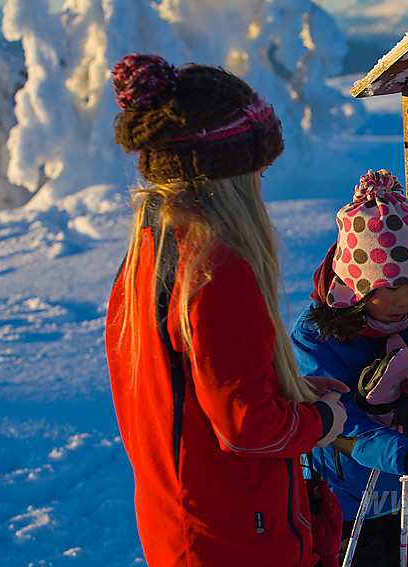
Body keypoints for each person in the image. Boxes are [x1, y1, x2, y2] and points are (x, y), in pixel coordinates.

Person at [105, 53, 347, 567]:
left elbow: (195, 396)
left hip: (184, 526)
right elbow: (245, 427)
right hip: (238, 537)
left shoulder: (151, 251)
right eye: (257, 170)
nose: (262, 185)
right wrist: (321, 421)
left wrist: (290, 395)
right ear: (229, 177)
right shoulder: (217, 271)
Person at [290, 169, 408, 566]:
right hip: (346, 500)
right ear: (360, 284)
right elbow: (340, 423)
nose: (407, 300)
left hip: (407, 490)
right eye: (391, 289)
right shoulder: (318, 337)